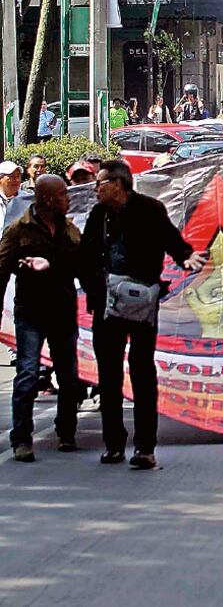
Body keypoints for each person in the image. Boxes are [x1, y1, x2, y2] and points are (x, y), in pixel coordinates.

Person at [79, 159, 207, 468]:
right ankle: (113, 444)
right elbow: (84, 256)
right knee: (108, 377)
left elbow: (172, 241)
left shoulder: (150, 210)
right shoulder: (99, 215)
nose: (96, 188)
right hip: (107, 308)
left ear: (119, 185)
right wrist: (95, 290)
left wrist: (186, 256)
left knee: (142, 372)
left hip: (142, 306)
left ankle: (145, 447)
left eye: (101, 182)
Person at [0, 175, 82, 462]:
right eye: (62, 195)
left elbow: (82, 267)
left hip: (62, 313)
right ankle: (21, 439)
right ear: (47, 199)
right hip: (31, 314)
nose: (67, 199)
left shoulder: (70, 231)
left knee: (69, 377)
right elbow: (1, 273)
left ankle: (67, 433)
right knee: (27, 375)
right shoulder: (18, 231)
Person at [0, 160, 23, 226]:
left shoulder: (27, 200)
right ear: (1, 179)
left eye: (18, 176)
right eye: (12, 177)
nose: (17, 180)